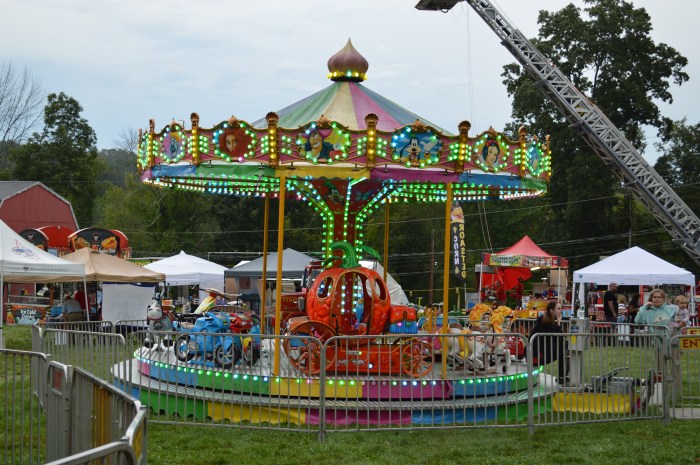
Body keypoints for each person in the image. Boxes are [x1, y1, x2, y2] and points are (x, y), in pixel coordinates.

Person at [530, 301, 568, 384]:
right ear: (551, 310)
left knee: (564, 346)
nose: (560, 311)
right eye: (558, 308)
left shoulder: (546, 319)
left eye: (561, 308)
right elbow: (559, 338)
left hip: (538, 351)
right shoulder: (546, 321)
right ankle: (562, 376)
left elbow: (557, 338)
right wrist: (558, 322)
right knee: (563, 348)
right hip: (537, 354)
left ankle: (563, 375)